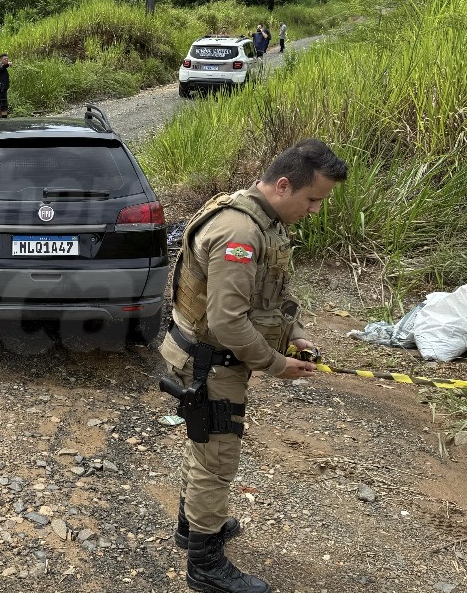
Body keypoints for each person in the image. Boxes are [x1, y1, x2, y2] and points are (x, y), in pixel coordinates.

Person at [159, 139, 348, 593]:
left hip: (215, 359)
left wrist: (296, 333)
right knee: (216, 460)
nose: (315, 210)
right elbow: (227, 321)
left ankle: (193, 528)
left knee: (206, 447)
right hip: (211, 363)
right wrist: (275, 363)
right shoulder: (240, 233)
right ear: (283, 185)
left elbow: (272, 292)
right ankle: (204, 567)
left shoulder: (263, 217)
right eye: (313, 200)